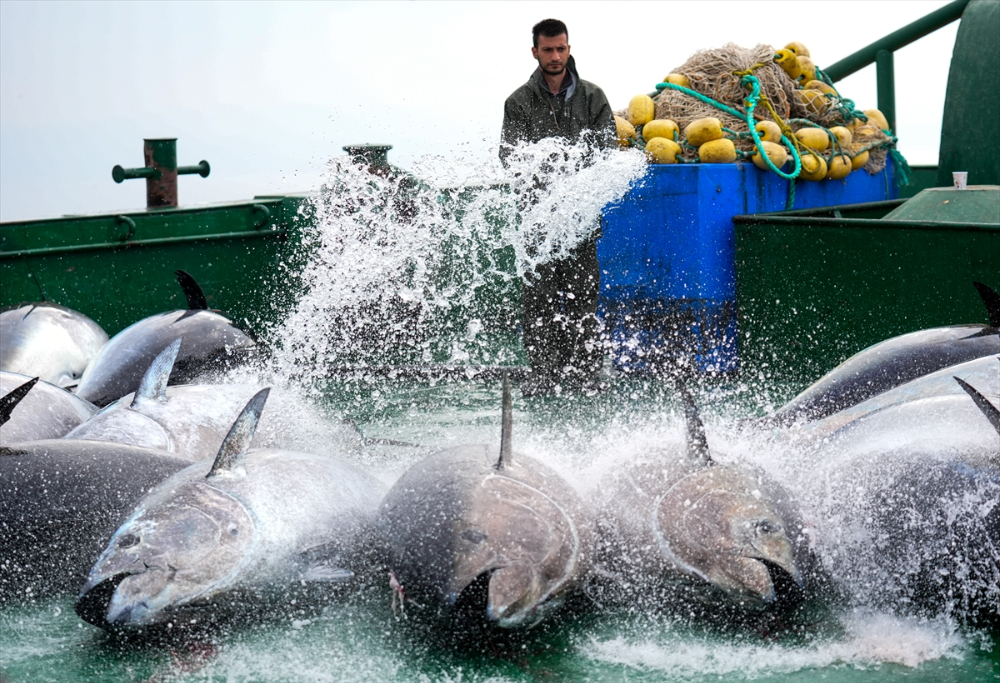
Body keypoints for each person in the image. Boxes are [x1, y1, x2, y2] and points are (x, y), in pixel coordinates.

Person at [499, 18, 616, 396]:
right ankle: (544, 376)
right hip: (538, 223)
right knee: (539, 303)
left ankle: (584, 376)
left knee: (583, 300)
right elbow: (511, 158)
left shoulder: (593, 97)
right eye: (548, 49)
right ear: (535, 52)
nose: (555, 56)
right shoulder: (517, 102)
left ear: (569, 48)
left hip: (580, 221)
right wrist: (552, 177)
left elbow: (607, 151)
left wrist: (572, 179)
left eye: (561, 48)